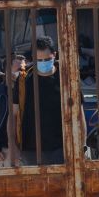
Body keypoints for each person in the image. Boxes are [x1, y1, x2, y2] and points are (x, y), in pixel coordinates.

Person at [13, 36, 64, 165]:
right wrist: (13, 145)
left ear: (55, 55)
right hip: (30, 150)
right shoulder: (24, 80)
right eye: (39, 60)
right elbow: (13, 115)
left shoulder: (65, 78)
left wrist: (82, 144)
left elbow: (79, 113)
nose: (43, 62)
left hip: (61, 148)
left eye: (47, 59)